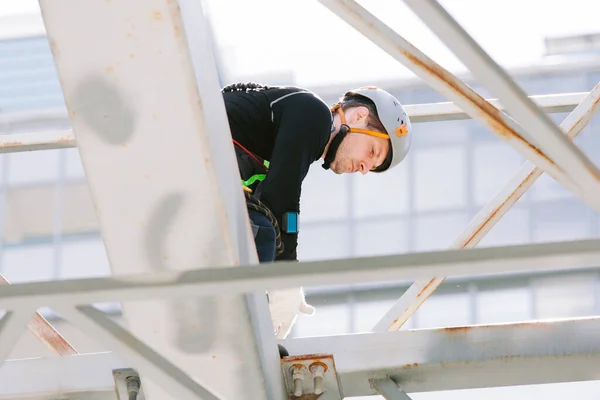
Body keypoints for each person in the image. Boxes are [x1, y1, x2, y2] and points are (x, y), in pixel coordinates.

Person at [221, 82, 412, 339]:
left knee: (258, 231)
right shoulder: (313, 114)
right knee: (260, 234)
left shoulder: (297, 129)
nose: (365, 168)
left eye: (372, 167)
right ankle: (238, 333)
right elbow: (282, 196)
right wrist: (285, 275)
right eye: (372, 151)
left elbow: (276, 199)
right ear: (359, 116)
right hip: (187, 146)